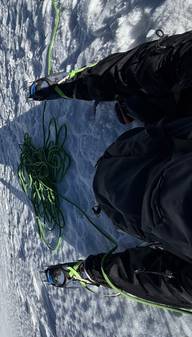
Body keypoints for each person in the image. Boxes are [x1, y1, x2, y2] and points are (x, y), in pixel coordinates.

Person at [30, 30, 192, 310]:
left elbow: (169, 281)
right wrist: (97, 272)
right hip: (142, 181)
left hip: (146, 163)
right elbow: (166, 281)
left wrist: (97, 273)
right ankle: (94, 86)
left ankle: (89, 84)